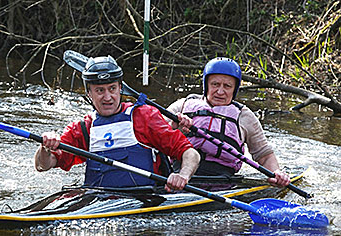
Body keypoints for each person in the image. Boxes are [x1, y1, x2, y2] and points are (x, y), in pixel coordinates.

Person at [34, 55, 200, 192]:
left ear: (120, 88)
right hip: (98, 202)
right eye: (100, 90)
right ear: (89, 93)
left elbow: (190, 153)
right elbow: (43, 166)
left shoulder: (144, 117)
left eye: (112, 88)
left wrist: (182, 176)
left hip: (145, 199)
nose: (107, 97)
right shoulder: (83, 128)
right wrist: (45, 148)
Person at [168, 57, 290, 188]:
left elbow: (264, 155)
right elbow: (154, 134)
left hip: (222, 180)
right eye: (215, 84)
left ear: (234, 89)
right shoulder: (182, 106)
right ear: (206, 84)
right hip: (179, 173)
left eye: (227, 86)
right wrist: (173, 126)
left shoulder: (244, 116)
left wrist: (275, 173)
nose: (220, 92)